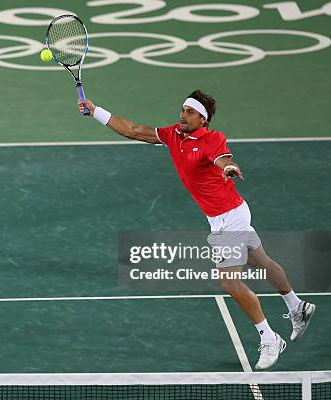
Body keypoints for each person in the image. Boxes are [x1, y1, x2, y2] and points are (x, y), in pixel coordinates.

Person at [78, 91, 316, 370]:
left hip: (231, 217)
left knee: (229, 282)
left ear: (202, 119)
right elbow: (134, 131)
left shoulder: (212, 139)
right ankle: (297, 306)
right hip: (223, 216)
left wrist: (229, 168)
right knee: (259, 260)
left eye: (189, 112)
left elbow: (222, 159)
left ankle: (269, 336)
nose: (182, 114)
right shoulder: (172, 135)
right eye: (182, 109)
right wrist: (95, 111)